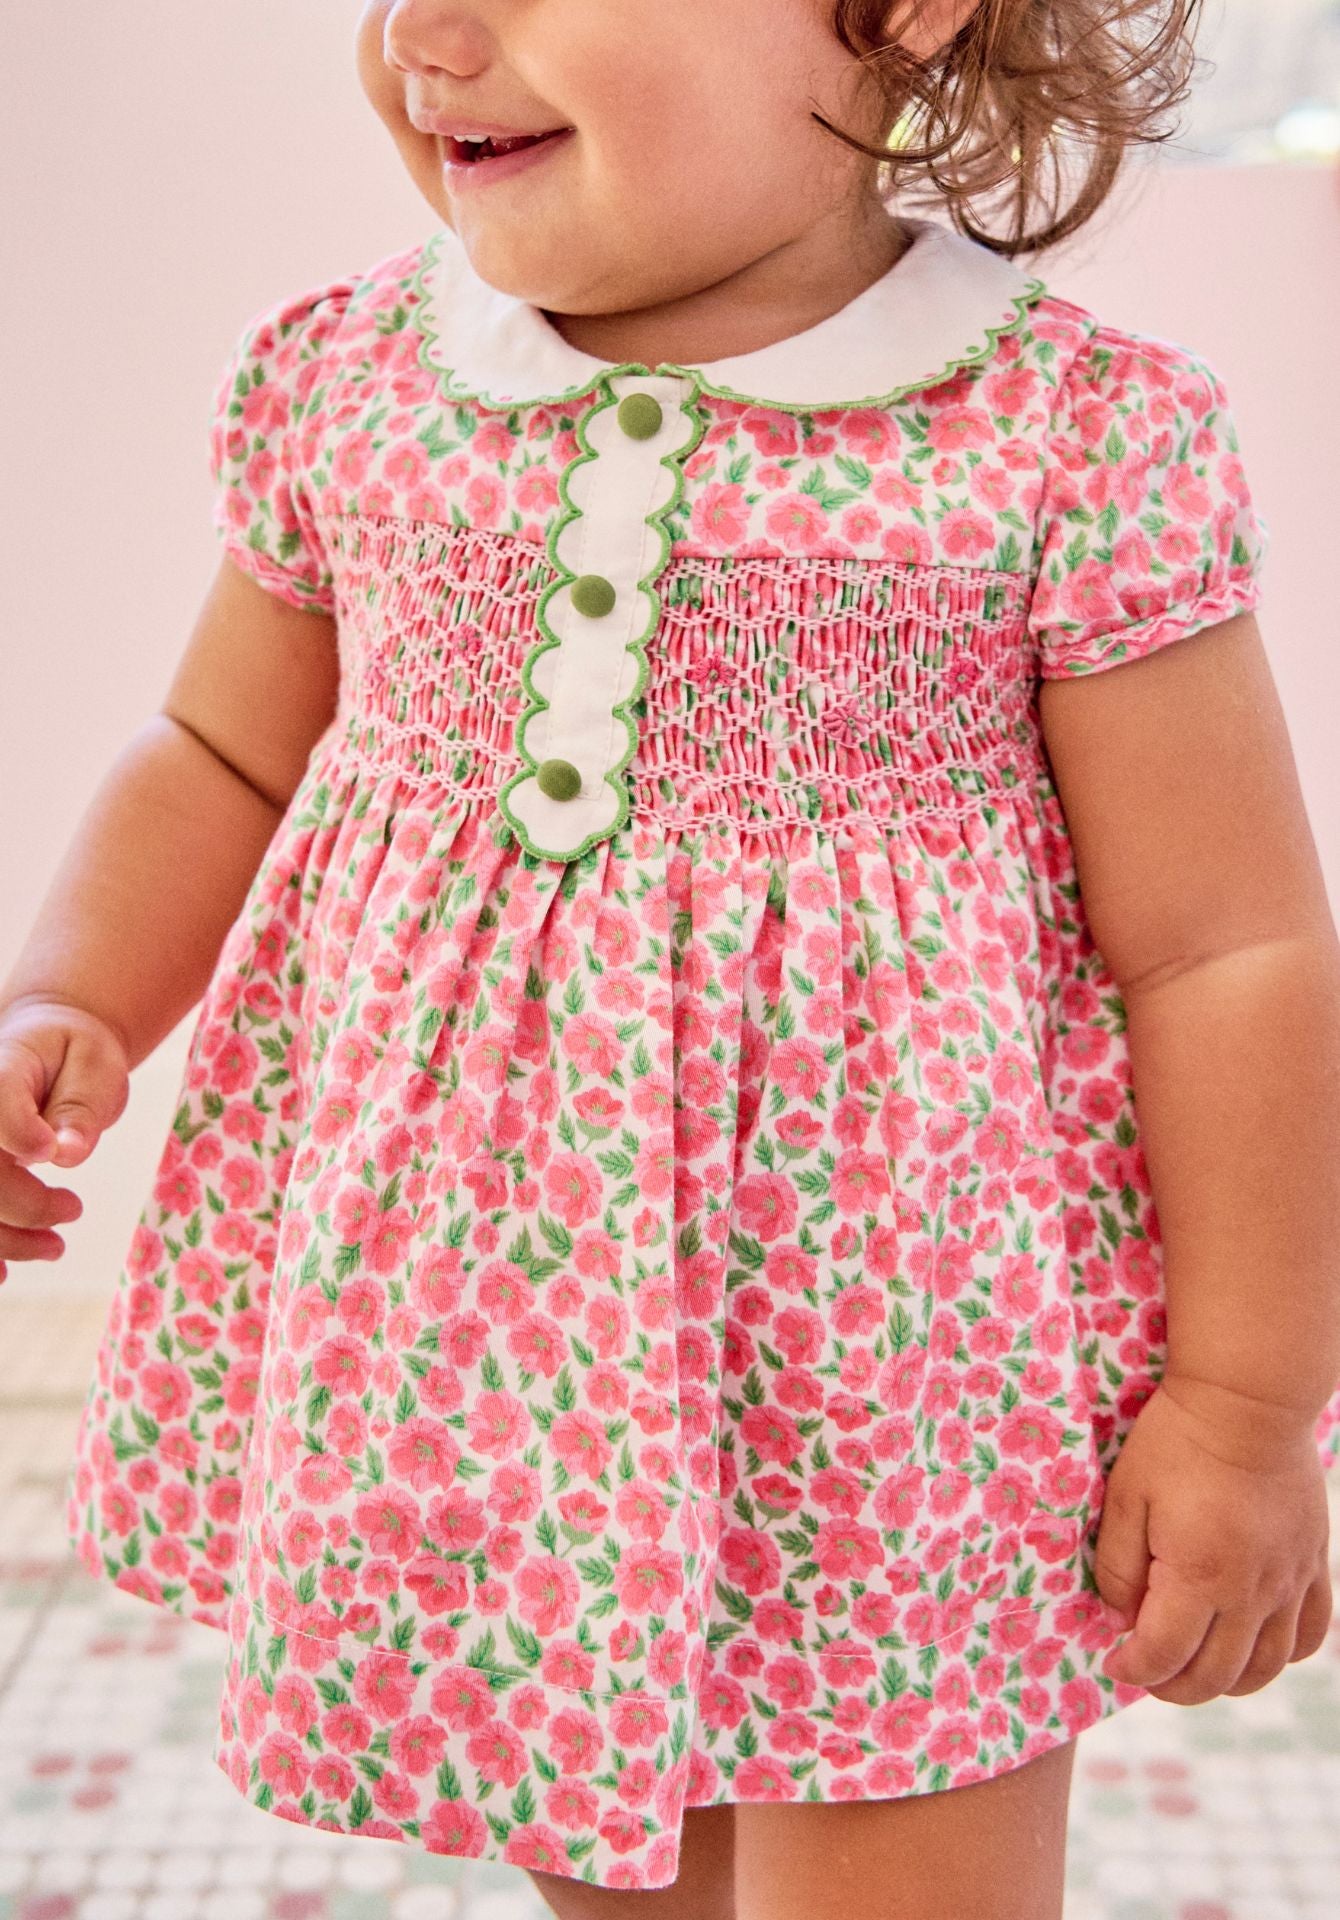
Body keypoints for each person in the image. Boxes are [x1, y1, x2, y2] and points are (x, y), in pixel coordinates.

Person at [1, 1, 1336, 1914]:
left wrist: (1245, 1407)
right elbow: (220, 751)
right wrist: (70, 995)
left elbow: (1227, 949)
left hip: (899, 1392)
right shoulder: (353, 385)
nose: (422, 33)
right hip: (501, 1360)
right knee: (609, 1854)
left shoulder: (1060, 439)